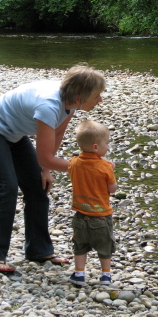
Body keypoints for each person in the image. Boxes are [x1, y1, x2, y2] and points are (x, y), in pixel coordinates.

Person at [0, 65, 106, 273]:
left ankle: (39, 250)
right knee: (7, 187)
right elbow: (45, 157)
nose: (100, 100)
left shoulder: (70, 103)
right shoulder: (48, 105)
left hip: (14, 134)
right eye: (97, 96)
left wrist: (45, 170)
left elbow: (58, 133)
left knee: (38, 186)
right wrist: (88, 168)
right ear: (80, 96)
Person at [67, 120, 117, 286]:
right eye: (107, 143)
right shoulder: (105, 167)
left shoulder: (73, 162)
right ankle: (105, 276)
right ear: (96, 147)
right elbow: (112, 189)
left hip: (80, 215)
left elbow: (78, 172)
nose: (108, 146)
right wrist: (110, 170)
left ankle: (79, 274)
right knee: (105, 247)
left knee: (80, 246)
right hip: (101, 216)